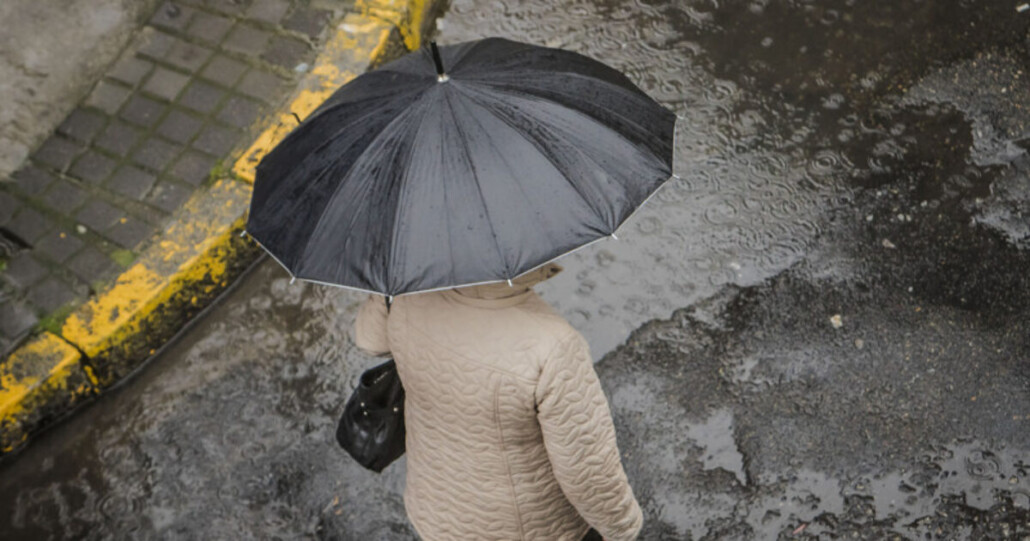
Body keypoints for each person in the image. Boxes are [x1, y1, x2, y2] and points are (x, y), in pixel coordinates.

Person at [352, 262, 643, 541]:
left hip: (435, 509)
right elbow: (587, 470)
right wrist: (621, 529)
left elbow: (369, 339)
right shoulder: (553, 345)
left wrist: (391, 281)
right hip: (528, 529)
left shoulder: (406, 292)